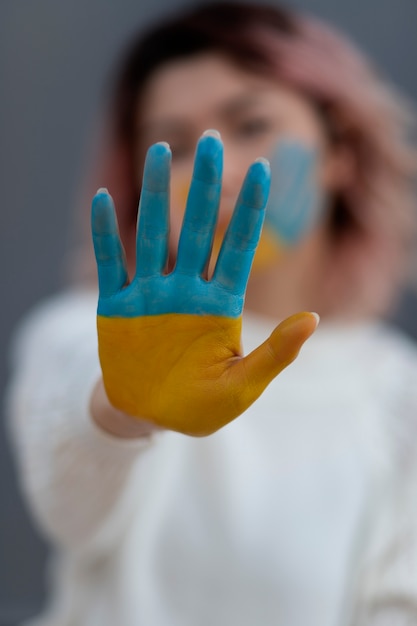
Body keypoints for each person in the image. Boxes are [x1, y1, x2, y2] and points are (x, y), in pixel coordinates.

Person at [6, 1, 417, 624]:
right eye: (169, 144)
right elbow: (68, 511)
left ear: (340, 155)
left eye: (250, 123)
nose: (208, 163)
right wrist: (119, 410)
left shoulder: (398, 391)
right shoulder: (79, 334)